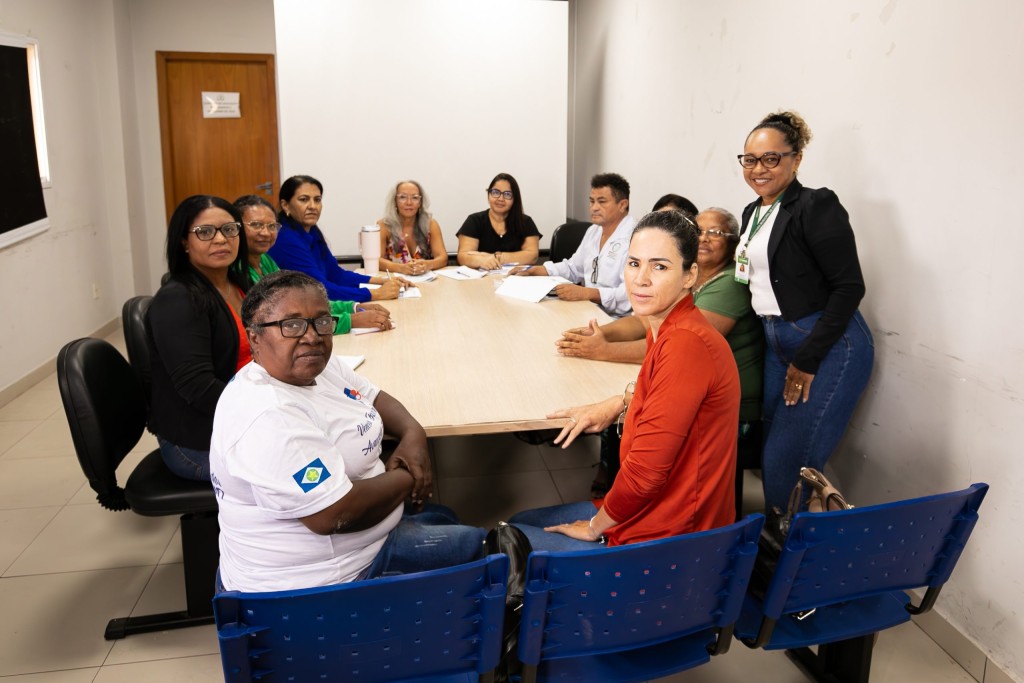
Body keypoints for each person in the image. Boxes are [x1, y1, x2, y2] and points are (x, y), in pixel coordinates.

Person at [209, 270, 486, 592]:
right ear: (255, 337)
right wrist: (411, 474)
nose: (311, 336)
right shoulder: (270, 414)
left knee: (452, 520)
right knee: (488, 549)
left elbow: (374, 396)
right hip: (327, 582)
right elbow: (333, 514)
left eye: (321, 322)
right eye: (292, 325)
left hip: (366, 541)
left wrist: (414, 434)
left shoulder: (314, 366)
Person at [508, 209, 740, 551]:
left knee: (512, 541)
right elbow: (666, 394)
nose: (640, 279)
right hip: (654, 512)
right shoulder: (668, 327)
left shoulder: (686, 345)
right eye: (634, 263)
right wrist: (618, 402)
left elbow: (645, 476)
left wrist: (594, 528)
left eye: (659, 267)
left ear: (690, 275)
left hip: (672, 537)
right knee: (518, 523)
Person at [557, 207, 763, 501]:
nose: (704, 238)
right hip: (687, 403)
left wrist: (603, 351)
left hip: (728, 416)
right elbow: (644, 324)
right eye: (633, 263)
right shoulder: (683, 294)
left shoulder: (715, 302)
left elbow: (645, 478)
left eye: (715, 232)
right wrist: (601, 334)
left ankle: (607, 483)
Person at [736, 110, 873, 512]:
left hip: (825, 343)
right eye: (750, 159)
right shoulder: (753, 212)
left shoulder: (816, 205)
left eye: (771, 158)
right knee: (774, 449)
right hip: (776, 341)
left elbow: (850, 287)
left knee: (789, 460)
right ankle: (789, 534)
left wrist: (807, 359)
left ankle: (796, 543)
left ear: (795, 159)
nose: (758, 169)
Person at [146, 195, 251, 481]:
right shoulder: (178, 301)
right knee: (313, 470)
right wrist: (263, 412)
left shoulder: (238, 284)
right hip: (198, 442)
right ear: (184, 242)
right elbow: (198, 388)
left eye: (229, 229)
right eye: (205, 232)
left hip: (240, 416)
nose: (221, 239)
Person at [235, 194, 392, 333]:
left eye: (271, 226)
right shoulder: (239, 270)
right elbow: (281, 323)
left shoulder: (265, 260)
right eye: (256, 225)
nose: (265, 233)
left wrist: (353, 307)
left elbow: (301, 300)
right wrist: (350, 320)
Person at [268, 175, 412, 302]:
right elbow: (319, 290)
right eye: (304, 199)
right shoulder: (285, 239)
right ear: (285, 205)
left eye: (317, 200)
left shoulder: (312, 231)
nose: (312, 206)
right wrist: (376, 294)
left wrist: (382, 281)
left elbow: (336, 274)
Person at [511, 173, 634, 317]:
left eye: (602, 202)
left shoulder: (636, 237)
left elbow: (630, 292)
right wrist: (535, 270)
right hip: (590, 309)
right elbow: (574, 268)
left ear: (622, 205)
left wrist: (587, 293)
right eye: (592, 201)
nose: (594, 208)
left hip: (618, 318)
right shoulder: (593, 231)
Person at [456, 172, 541, 269]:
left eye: (507, 194)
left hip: (516, 277)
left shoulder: (526, 222)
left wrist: (494, 258)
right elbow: (463, 256)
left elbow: (532, 256)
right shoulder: (474, 220)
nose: (501, 199)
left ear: (515, 198)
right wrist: (481, 261)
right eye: (496, 192)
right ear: (489, 194)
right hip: (482, 277)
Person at [377, 180, 449, 276]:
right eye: (403, 197)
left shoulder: (431, 224)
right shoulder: (383, 225)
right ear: (395, 201)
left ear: (420, 203)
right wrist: (401, 268)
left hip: (426, 280)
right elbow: (376, 261)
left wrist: (428, 265)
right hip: (394, 281)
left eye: (415, 198)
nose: (409, 202)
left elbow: (442, 258)